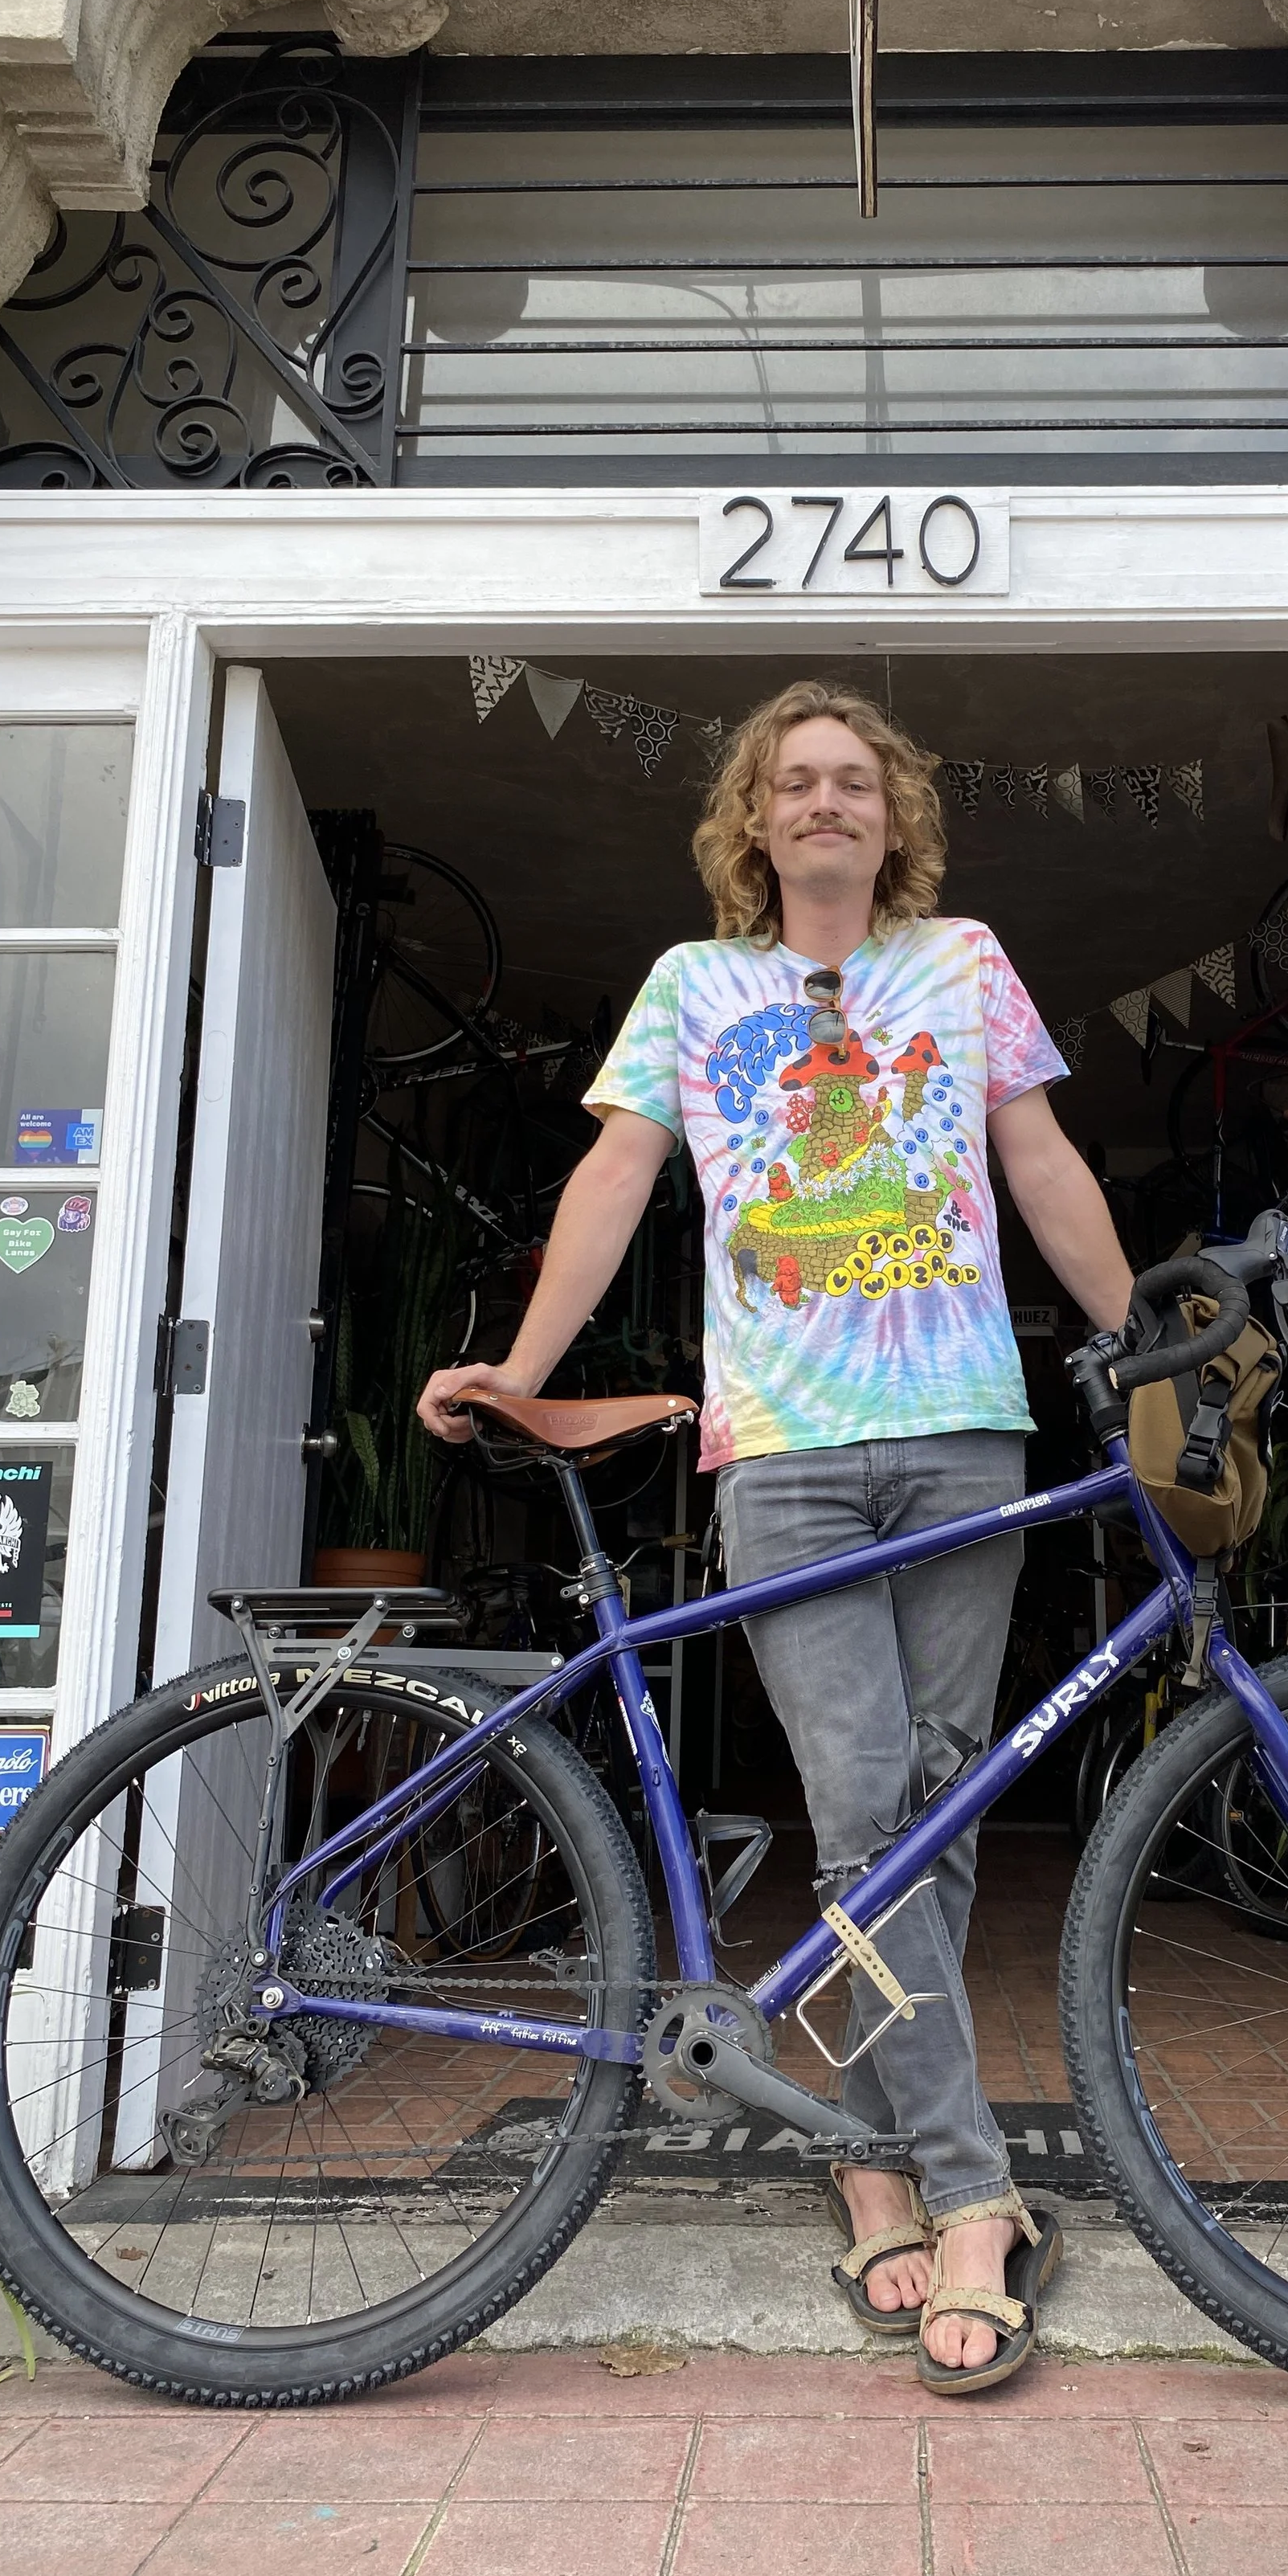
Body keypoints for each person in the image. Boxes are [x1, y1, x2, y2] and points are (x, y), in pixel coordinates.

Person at [418, 681, 1132, 2391]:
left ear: (894, 817)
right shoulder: (694, 983)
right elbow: (613, 1178)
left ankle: (870, 2163)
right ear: (753, 819)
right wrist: (525, 1367)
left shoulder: (961, 962)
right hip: (788, 1453)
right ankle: (971, 2191)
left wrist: (1143, 1335)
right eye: (794, 782)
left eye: (852, 781)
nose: (824, 802)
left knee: (937, 1806)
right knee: (868, 1810)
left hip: (962, 1434)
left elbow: (1037, 1160)